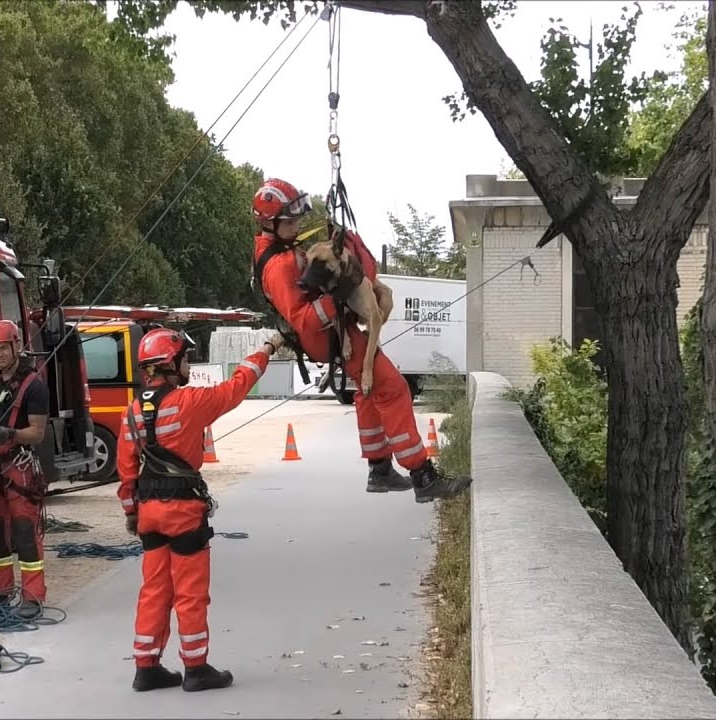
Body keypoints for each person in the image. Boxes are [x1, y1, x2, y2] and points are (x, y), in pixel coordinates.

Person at [250, 177, 471, 503]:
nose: (297, 225)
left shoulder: (282, 250)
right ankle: (422, 476)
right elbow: (306, 320)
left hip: (337, 332)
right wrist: (340, 288)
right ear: (270, 221)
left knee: (367, 394)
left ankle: (379, 468)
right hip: (328, 335)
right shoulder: (279, 265)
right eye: (291, 220)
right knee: (393, 388)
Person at [116, 326, 283, 693]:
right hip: (184, 511)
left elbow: (126, 472)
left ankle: (146, 667)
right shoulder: (189, 402)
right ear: (171, 363)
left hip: (148, 513)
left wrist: (132, 513)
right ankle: (196, 668)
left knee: (154, 589)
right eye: (185, 358)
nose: (189, 364)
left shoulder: (130, 413)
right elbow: (237, 386)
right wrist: (267, 349)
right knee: (190, 590)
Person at [0, 319, 50, 617]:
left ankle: (32, 597)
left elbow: (38, 432)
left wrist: (11, 434)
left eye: (3, 348)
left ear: (16, 345)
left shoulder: (34, 386)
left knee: (24, 532)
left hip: (19, 465)